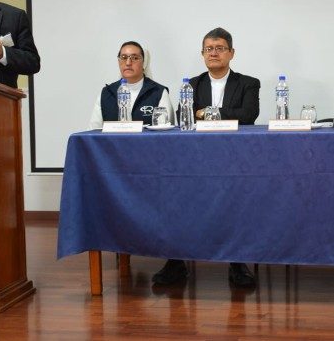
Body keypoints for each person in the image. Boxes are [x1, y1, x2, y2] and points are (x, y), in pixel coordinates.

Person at [152, 27, 260, 289]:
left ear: (231, 53)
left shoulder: (248, 83)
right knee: (178, 202)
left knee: (237, 206)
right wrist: (219, 113)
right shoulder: (191, 85)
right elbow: (184, 116)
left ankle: (237, 264)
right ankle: (176, 262)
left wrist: (205, 112)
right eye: (209, 49)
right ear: (202, 54)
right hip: (197, 160)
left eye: (220, 48)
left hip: (235, 160)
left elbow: (247, 115)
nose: (214, 53)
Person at [88, 41, 174, 128]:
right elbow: (93, 133)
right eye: (124, 57)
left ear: (143, 63)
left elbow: (165, 135)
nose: (128, 63)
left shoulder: (158, 92)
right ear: (118, 62)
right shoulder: (106, 93)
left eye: (135, 58)